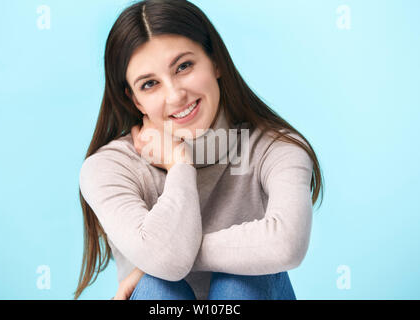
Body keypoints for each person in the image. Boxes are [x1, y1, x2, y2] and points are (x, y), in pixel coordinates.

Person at [74, 0, 324, 300]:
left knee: (239, 282)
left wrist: (163, 257)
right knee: (157, 287)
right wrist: (180, 164)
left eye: (184, 66)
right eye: (150, 84)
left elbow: (287, 244)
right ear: (135, 101)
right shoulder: (110, 168)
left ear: (215, 61)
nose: (176, 95)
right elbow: (166, 265)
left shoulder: (275, 148)